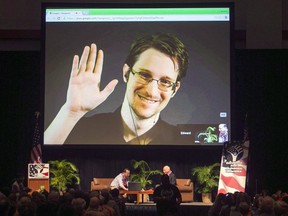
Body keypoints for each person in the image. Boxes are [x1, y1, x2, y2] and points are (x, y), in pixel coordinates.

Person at [44, 32, 189, 145]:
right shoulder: (82, 128)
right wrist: (71, 113)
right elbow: (39, 161)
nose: (151, 91)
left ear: (175, 89)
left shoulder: (182, 140)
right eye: (144, 75)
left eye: (165, 81)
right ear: (126, 73)